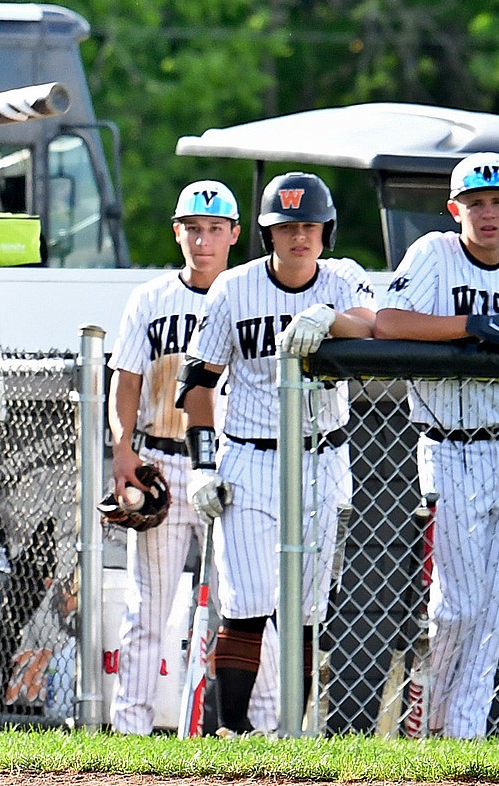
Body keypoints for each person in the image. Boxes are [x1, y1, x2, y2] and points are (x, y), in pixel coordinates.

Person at [178, 172, 375, 736]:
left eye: (309, 226)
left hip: (323, 454)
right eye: (287, 227)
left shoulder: (344, 277)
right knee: (244, 603)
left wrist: (330, 319)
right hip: (251, 456)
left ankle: (294, 730)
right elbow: (197, 380)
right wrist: (202, 463)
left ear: (326, 230)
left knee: (308, 611)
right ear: (267, 233)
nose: (299, 238)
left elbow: (376, 324)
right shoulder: (234, 288)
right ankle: (231, 730)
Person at [106, 180, 276, 735]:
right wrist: (122, 448)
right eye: (193, 228)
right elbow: (125, 378)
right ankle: (129, 733)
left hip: (234, 464)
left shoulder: (251, 293)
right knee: (147, 608)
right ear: (178, 232)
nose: (203, 240)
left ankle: (268, 729)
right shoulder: (152, 298)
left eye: (215, 229)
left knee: (250, 603)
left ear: (234, 235)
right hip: (163, 459)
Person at [374, 151, 499, 738]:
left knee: (493, 611)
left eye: (497, 201)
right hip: (451, 445)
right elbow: (388, 322)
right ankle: (429, 717)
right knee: (457, 606)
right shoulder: (434, 253)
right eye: (475, 202)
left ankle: (463, 737)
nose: (487, 213)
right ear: (454, 209)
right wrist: (473, 325)